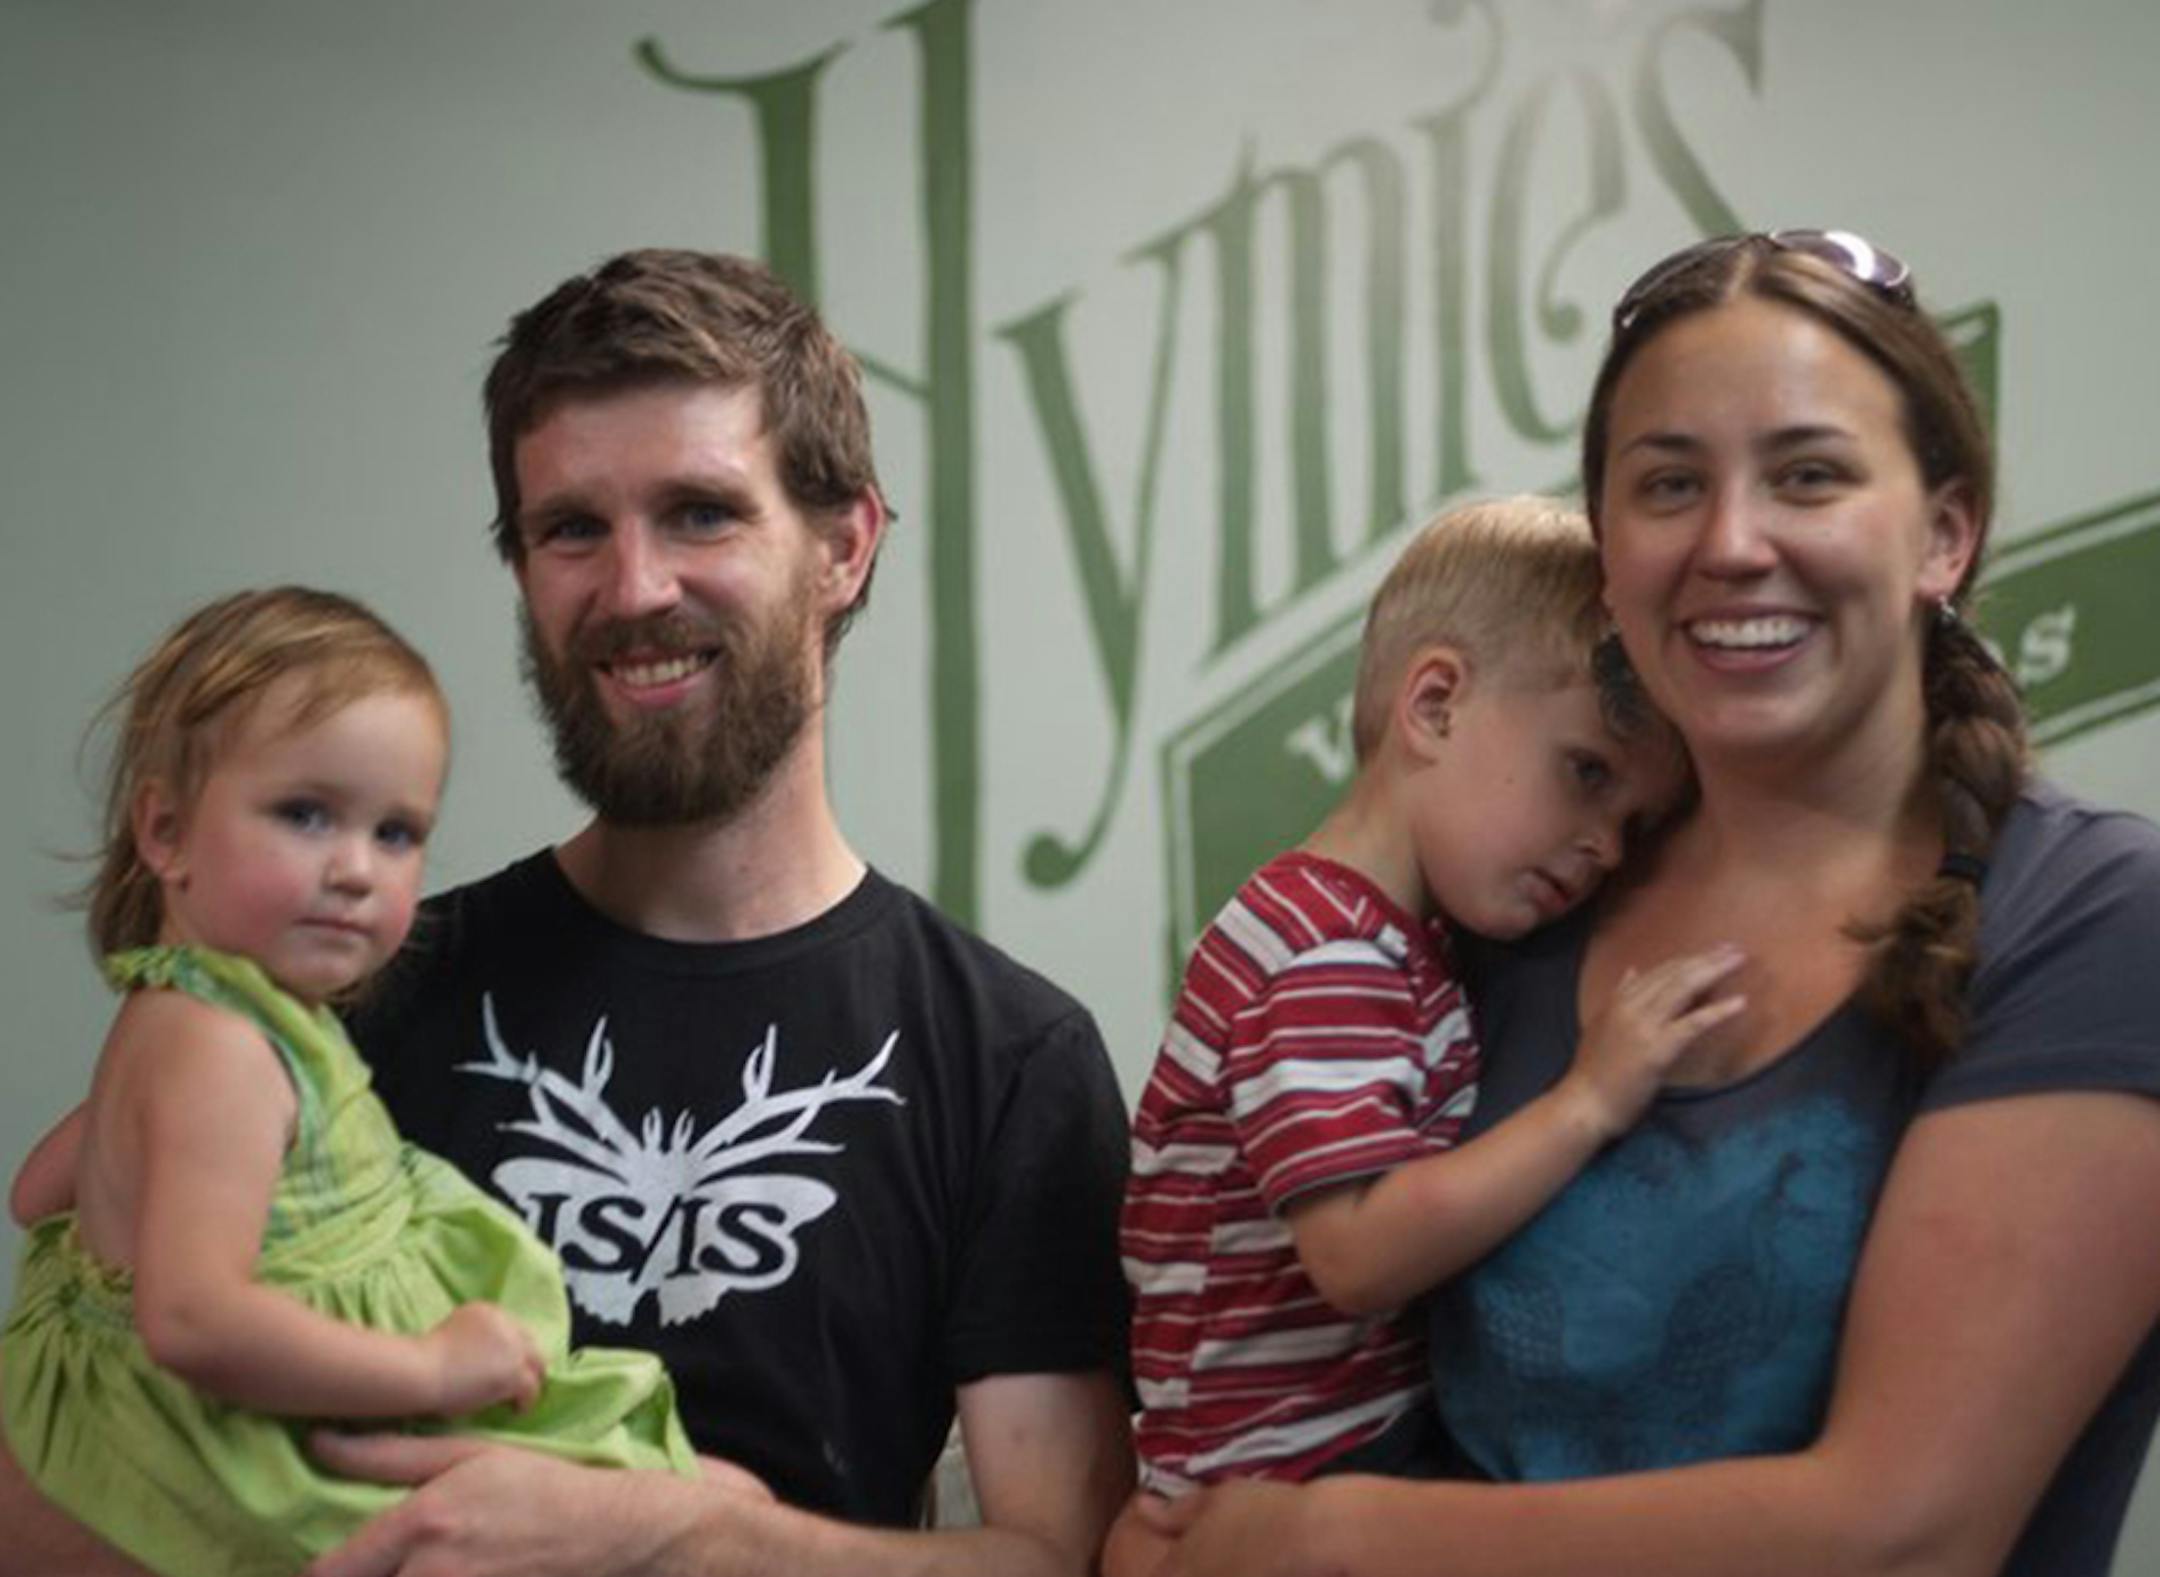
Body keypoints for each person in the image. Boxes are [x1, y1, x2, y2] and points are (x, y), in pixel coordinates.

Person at [0, 250, 1134, 1576]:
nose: (634, 587)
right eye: (572, 529)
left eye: (700, 513)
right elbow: (66, 1440)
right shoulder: (337, 988)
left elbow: (1057, 1560)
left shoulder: (1008, 1058)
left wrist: (688, 1535)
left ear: (843, 546)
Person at [1116, 229, 2160, 1577]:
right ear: (1608, 551)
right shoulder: (1515, 909)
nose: (1731, 542)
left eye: (1809, 474)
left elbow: (1909, 1533)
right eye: (1670, 483)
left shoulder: (2090, 916)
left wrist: (1336, 1536)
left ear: (1943, 534)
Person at [2, 587, 699, 1577]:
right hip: (245, 1446)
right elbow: (191, 1320)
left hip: (260, 1401)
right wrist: (431, 1365)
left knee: (670, 1497)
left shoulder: (188, 1009)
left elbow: (37, 1192)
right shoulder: (223, 1051)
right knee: (651, 1500)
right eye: (306, 814)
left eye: (396, 832)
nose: (358, 869)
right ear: (165, 831)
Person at [1122, 498, 1743, 1497]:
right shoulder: (1325, 950)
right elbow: (1357, 1252)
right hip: (1275, 1475)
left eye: (1634, 821)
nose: (1607, 846)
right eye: (1587, 772)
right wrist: (1589, 1100)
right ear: (1436, 704)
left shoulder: (1393, 940)